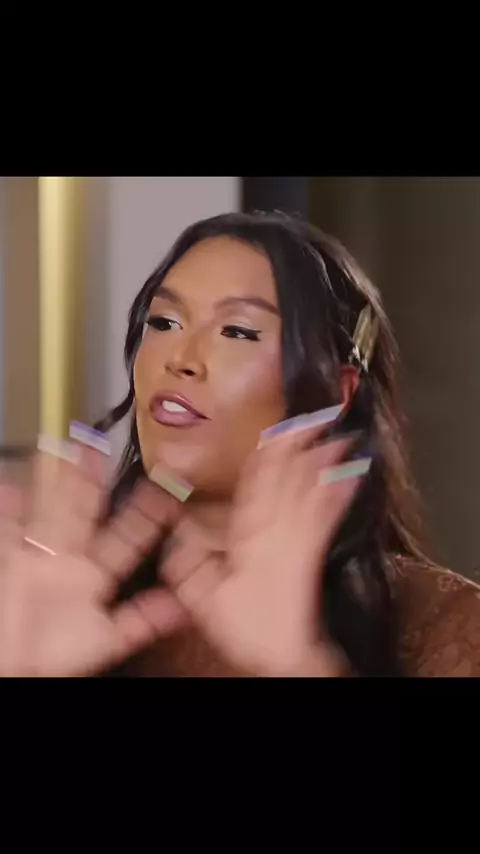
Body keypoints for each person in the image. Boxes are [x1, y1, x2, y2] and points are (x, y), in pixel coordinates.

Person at [0, 211, 479, 677]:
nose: (180, 359)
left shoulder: (444, 625)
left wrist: (300, 667)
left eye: (237, 331)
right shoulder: (49, 597)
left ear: (336, 392)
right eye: (163, 322)